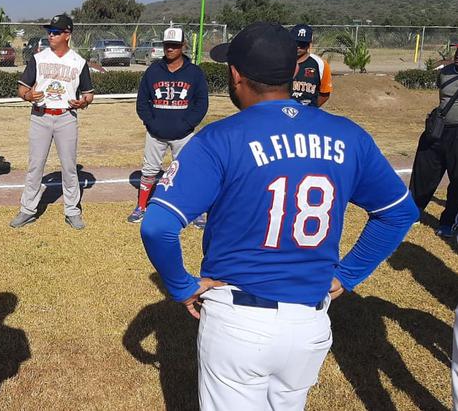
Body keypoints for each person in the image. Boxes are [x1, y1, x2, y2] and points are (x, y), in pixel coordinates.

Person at [140, 22, 417, 410]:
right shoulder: (349, 135)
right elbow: (399, 213)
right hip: (310, 322)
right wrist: (349, 273)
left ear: (236, 76)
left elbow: (158, 226)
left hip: (238, 320)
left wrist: (182, 286)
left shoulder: (220, 138)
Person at [10, 14, 94, 230]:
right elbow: (22, 88)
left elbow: (88, 94)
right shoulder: (38, 58)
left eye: (56, 32)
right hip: (40, 116)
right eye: (49, 31)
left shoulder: (78, 62)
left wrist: (82, 102)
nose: (51, 35)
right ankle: (27, 210)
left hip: (66, 117)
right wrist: (28, 96)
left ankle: (72, 211)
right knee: (35, 165)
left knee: (69, 167)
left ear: (68, 35)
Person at [128, 27, 208, 223]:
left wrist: (187, 124)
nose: (170, 49)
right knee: (149, 170)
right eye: (167, 45)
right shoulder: (153, 71)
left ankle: (194, 210)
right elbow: (142, 102)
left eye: (174, 45)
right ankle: (141, 206)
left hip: (184, 134)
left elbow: (201, 103)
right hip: (156, 133)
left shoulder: (194, 73)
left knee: (186, 171)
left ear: (183, 46)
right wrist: (151, 123)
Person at [410, 43, 458, 237]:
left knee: (456, 181)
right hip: (438, 131)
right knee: (424, 172)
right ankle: (412, 212)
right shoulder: (445, 72)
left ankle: (448, 222)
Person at [290, 24, 333, 107]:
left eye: (302, 43)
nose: (298, 46)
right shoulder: (281, 61)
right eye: (295, 42)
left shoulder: (320, 64)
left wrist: (312, 109)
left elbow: (324, 94)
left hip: (307, 114)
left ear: (309, 44)